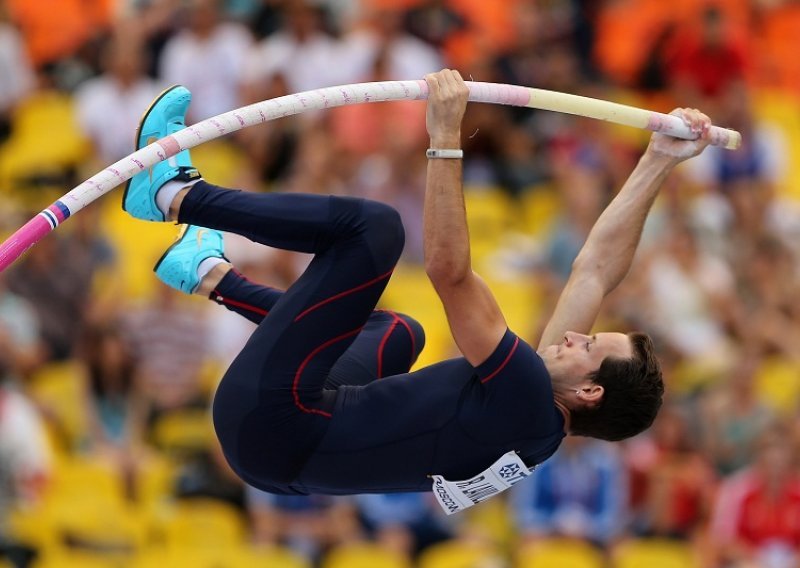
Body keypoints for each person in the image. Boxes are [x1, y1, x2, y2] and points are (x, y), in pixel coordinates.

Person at [120, 69, 712, 512]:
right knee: (397, 333)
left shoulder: (528, 395)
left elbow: (448, 270)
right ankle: (207, 273)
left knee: (372, 231)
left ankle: (174, 194)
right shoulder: (534, 421)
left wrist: (445, 131)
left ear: (588, 391)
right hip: (279, 454)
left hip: (275, 423)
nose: (578, 334)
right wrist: (659, 160)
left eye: (590, 345)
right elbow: (595, 271)